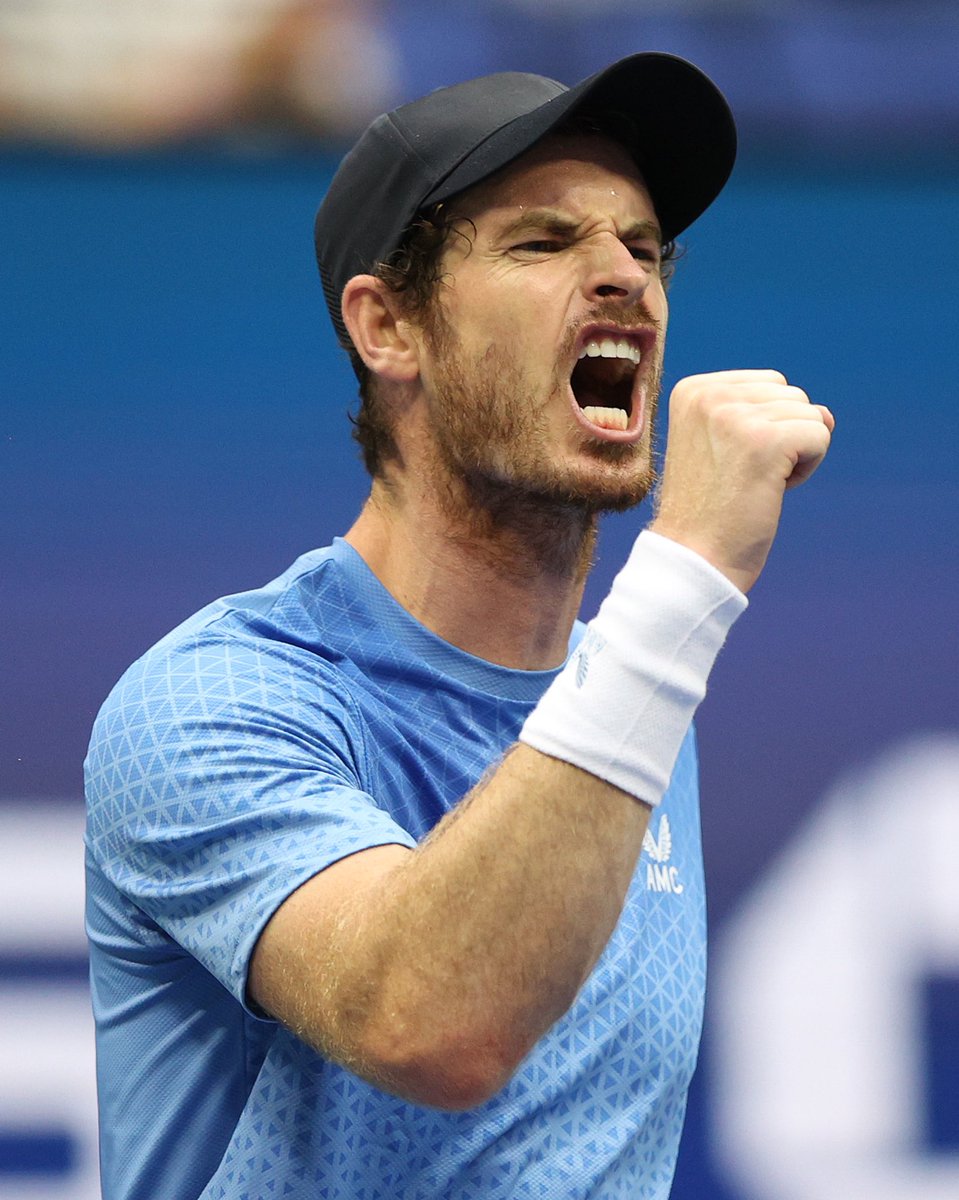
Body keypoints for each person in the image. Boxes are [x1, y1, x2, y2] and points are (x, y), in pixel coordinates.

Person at [84, 52, 834, 1200]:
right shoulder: (208, 705)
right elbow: (430, 1026)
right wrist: (682, 574)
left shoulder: (632, 700)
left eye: (644, 249)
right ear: (388, 325)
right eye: (542, 242)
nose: (622, 278)